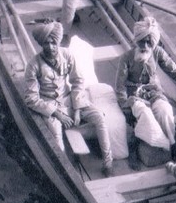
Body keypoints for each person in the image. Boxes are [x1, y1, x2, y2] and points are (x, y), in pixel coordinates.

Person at [24, 22, 114, 176]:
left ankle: (108, 163)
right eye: (46, 43)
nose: (51, 47)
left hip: (70, 99)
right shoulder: (33, 65)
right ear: (41, 44)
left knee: (99, 118)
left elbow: (78, 81)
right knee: (57, 135)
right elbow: (31, 98)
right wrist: (57, 114)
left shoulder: (67, 55)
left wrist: (77, 109)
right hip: (51, 105)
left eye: (54, 43)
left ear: (58, 42)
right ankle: (67, 172)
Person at [115, 16, 176, 158]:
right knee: (145, 115)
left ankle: (171, 146)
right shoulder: (126, 58)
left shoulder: (158, 53)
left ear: (153, 43)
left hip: (154, 92)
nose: (145, 46)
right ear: (137, 40)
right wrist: (124, 105)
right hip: (133, 95)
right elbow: (120, 86)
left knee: (165, 111)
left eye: (149, 43)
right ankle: (135, 148)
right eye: (142, 41)